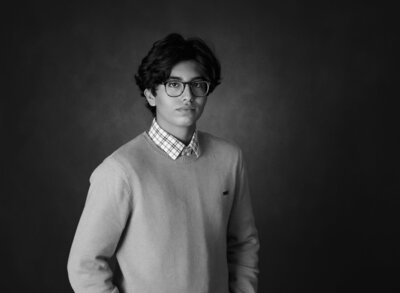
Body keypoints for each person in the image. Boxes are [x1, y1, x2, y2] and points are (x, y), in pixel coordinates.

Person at [67, 33, 259, 293]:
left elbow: (243, 244)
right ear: (150, 95)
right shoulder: (120, 171)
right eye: (173, 84)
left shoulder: (229, 159)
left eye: (197, 84)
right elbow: (84, 265)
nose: (187, 96)